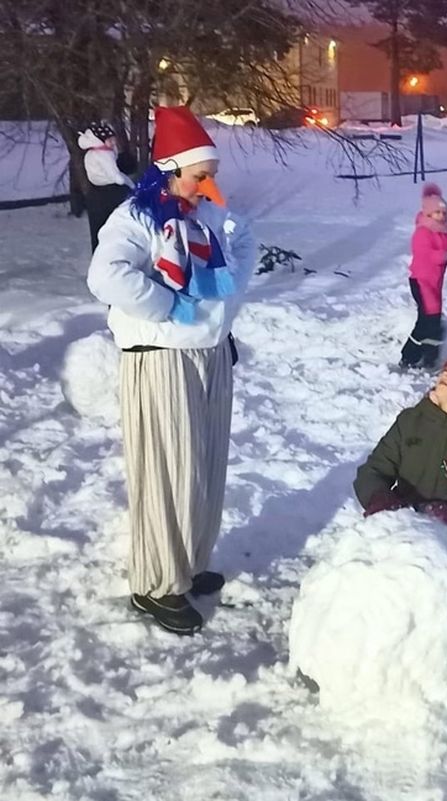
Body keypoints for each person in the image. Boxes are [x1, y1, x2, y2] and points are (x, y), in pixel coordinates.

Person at [87, 106, 257, 635]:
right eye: (200, 175)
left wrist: (220, 309)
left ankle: (187, 562)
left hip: (208, 355)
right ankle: (155, 584)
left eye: (212, 176)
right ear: (170, 170)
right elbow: (106, 276)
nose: (208, 184)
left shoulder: (204, 216)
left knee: (202, 469)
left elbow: (239, 258)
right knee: (167, 471)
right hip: (160, 360)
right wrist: (169, 308)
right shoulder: (136, 218)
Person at [354, 354, 447, 645]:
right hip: (402, 528)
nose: (445, 372)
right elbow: (372, 471)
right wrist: (380, 500)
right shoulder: (410, 422)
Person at [400, 183, 447, 370]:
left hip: (434, 284)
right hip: (420, 281)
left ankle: (429, 358)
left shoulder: (444, 234)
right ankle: (410, 357)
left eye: (444, 213)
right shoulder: (422, 233)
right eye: (437, 212)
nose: (441, 216)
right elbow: (427, 255)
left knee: (432, 320)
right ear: (428, 213)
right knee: (429, 320)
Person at [78, 122, 135, 252]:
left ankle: (100, 257)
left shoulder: (94, 154)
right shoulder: (104, 155)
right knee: (112, 228)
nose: (113, 142)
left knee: (100, 230)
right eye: (110, 140)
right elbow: (117, 176)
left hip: (97, 194)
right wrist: (129, 185)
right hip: (109, 194)